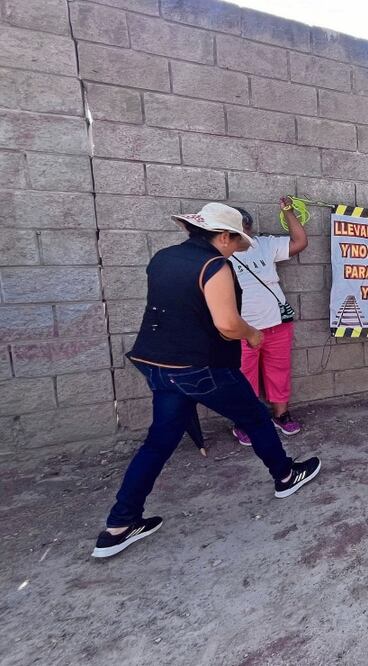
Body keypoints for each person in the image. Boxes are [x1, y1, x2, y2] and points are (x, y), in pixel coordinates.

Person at [91, 202, 320, 559]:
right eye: (236, 238)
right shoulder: (216, 265)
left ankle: (119, 524)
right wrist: (253, 335)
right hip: (201, 367)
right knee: (257, 418)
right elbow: (228, 324)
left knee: (158, 443)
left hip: (158, 364)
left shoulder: (164, 258)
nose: (239, 244)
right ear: (223, 236)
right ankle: (286, 477)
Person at [228, 198, 308, 444]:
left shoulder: (264, 244)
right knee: (244, 377)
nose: (244, 235)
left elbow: (300, 242)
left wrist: (289, 212)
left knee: (278, 371)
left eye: (245, 229)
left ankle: (281, 415)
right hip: (242, 329)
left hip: (276, 323)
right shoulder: (219, 255)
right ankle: (246, 422)